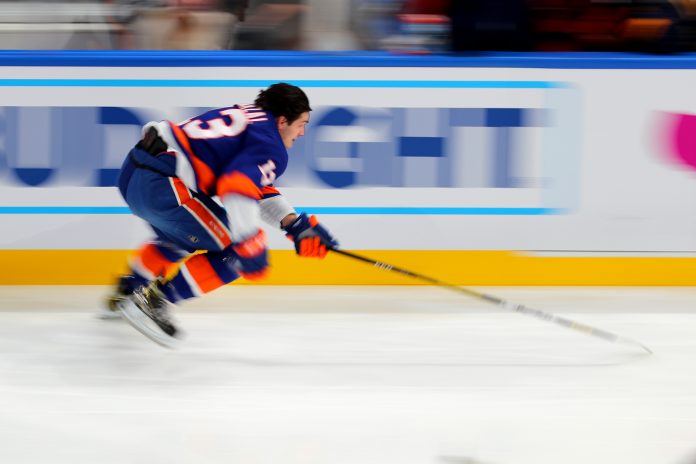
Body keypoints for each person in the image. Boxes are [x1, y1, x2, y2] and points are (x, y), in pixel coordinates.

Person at [105, 82, 338, 344]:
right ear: (283, 121)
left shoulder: (250, 117)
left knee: (179, 238)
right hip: (162, 184)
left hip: (134, 172)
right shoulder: (271, 144)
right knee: (233, 252)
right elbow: (237, 186)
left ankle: (127, 291)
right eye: (301, 124)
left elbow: (252, 184)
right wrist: (247, 241)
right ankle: (153, 303)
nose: (302, 132)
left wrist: (294, 225)